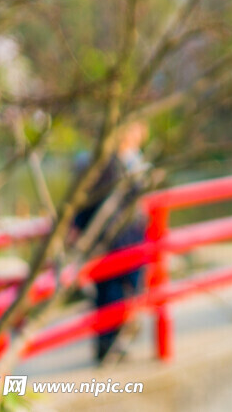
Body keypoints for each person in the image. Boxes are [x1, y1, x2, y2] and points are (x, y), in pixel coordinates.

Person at [71, 121, 151, 363]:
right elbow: (84, 203)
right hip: (110, 237)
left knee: (127, 289)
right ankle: (108, 345)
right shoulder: (99, 163)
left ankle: (116, 341)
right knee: (109, 292)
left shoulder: (134, 161)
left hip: (129, 235)